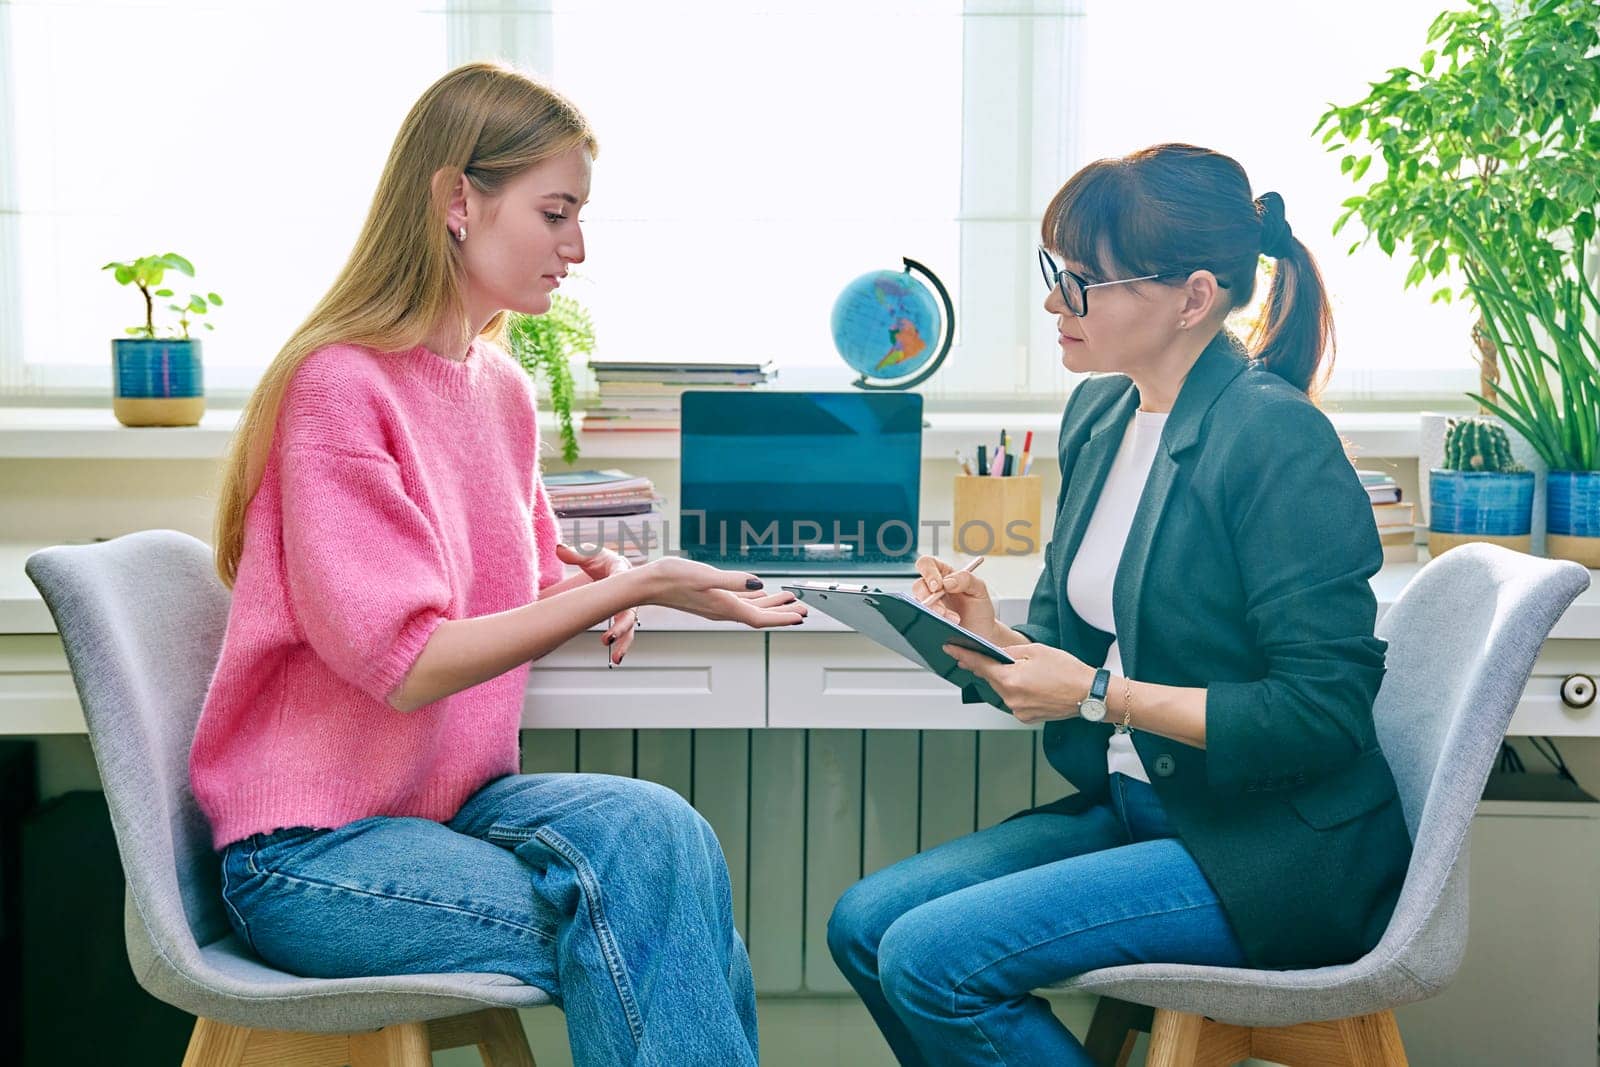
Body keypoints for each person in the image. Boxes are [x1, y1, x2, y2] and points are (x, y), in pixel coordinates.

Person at [193, 62, 806, 1067]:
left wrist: (596, 581)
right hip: (313, 853)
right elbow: (411, 661)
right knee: (662, 934)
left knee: (660, 832)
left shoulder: (500, 388)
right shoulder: (338, 389)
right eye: (556, 211)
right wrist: (638, 582)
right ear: (456, 201)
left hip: (449, 805)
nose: (576, 247)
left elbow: (513, 590)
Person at [826, 143, 1412, 1066]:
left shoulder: (1274, 438)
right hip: (1144, 809)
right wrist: (985, 635)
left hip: (1270, 850)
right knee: (864, 924)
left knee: (933, 960)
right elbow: (1067, 644)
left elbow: (1323, 711)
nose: (1057, 303)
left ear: (1194, 297)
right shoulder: (1102, 417)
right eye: (1056, 272)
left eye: (1085, 282)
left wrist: (1102, 696)